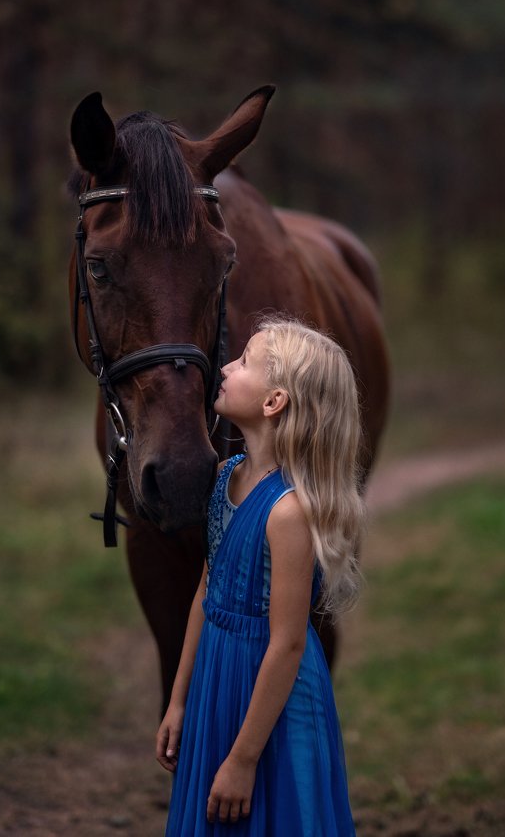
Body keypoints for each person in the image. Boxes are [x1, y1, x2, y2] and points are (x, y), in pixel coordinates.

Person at [156, 316, 363, 835]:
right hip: (217, 680)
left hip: (270, 696)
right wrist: (179, 700)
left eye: (244, 360)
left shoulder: (288, 512)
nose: (224, 366)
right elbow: (207, 590)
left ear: (274, 402)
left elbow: (287, 644)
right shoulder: (226, 475)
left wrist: (244, 758)